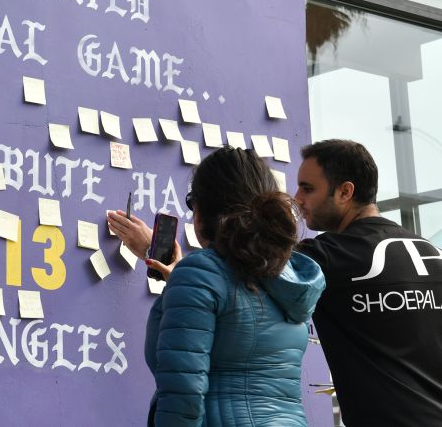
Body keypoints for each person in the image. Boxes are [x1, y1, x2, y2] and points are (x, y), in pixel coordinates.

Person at [109, 147, 325, 426]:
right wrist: (180, 275)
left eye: (191, 202)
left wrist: (187, 276)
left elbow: (183, 397)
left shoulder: (199, 273)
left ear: (202, 212)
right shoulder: (287, 275)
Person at [293, 139, 442, 426]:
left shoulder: (327, 256)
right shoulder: (433, 254)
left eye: (308, 188)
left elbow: (251, 268)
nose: (297, 197)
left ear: (345, 192)